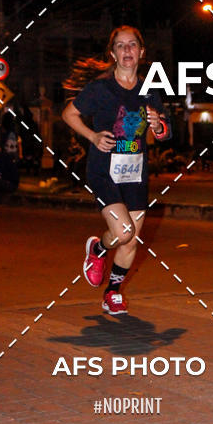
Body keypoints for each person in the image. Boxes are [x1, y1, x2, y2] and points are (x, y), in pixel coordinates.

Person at [62, 26, 169, 315]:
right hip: (103, 171)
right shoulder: (100, 88)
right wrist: (93, 136)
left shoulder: (150, 89)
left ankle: (112, 293)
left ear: (141, 52)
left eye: (132, 45)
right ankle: (97, 250)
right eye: (120, 46)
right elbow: (69, 114)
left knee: (130, 239)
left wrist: (158, 126)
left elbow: (164, 131)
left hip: (136, 173)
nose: (127, 51)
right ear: (113, 54)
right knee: (123, 231)